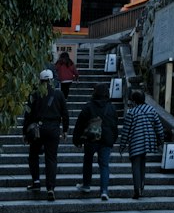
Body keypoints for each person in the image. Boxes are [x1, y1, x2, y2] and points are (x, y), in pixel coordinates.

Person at [22, 69, 69, 201]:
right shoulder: (59, 94)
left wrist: (25, 131)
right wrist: (65, 130)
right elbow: (65, 113)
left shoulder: (35, 94)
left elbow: (28, 114)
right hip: (53, 129)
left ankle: (36, 181)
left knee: (33, 155)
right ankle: (50, 188)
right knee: (51, 158)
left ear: (40, 80)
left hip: (37, 128)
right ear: (52, 80)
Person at [73, 81, 119, 200]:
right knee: (104, 165)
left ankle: (87, 185)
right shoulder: (111, 107)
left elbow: (80, 124)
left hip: (91, 138)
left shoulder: (89, 106)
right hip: (107, 139)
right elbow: (115, 125)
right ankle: (104, 191)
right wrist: (113, 139)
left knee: (88, 160)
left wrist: (77, 139)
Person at [119, 88, 164, 200]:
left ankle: (137, 190)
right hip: (148, 142)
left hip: (135, 141)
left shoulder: (132, 112)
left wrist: (122, 146)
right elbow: (159, 127)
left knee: (135, 165)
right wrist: (160, 141)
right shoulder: (151, 110)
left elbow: (126, 131)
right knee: (142, 164)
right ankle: (141, 187)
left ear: (134, 101)